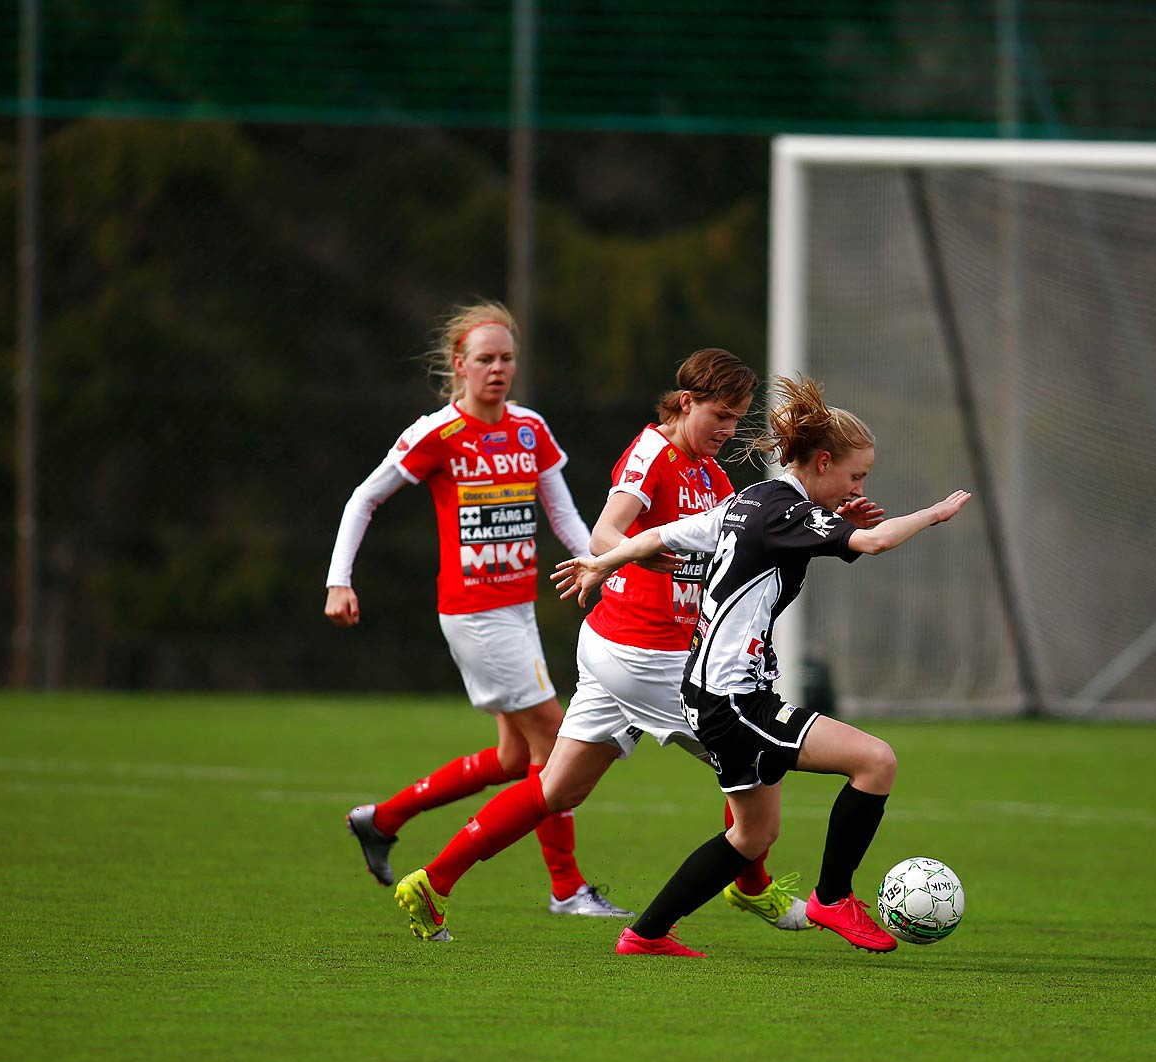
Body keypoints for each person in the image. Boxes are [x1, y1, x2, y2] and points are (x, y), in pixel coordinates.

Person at [392, 349, 883, 942]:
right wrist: (643, 551)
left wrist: (831, 515)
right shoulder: (653, 451)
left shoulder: (712, 473)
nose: (727, 431)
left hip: (623, 647)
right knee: (751, 747)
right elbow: (605, 532)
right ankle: (748, 887)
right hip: (644, 651)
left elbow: (753, 538)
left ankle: (432, 880)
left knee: (559, 786)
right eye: (719, 415)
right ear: (685, 402)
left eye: (737, 419)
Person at [551, 375, 971, 956]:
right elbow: (872, 545)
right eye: (855, 475)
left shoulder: (754, 502)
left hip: (712, 691)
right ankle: (832, 897)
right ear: (822, 461)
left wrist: (603, 562)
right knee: (875, 762)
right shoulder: (781, 512)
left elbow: (664, 536)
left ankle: (644, 935)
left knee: (753, 835)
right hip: (733, 697)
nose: (859, 486)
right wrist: (935, 513)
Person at [325, 300, 631, 926]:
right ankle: (567, 888)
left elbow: (565, 516)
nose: (498, 369)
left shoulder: (529, 429)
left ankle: (382, 820)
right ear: (458, 366)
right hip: (474, 612)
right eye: (484, 359)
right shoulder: (436, 434)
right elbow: (364, 498)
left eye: (507, 357)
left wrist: (606, 564)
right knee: (556, 740)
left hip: (516, 608)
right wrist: (338, 582)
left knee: (518, 761)